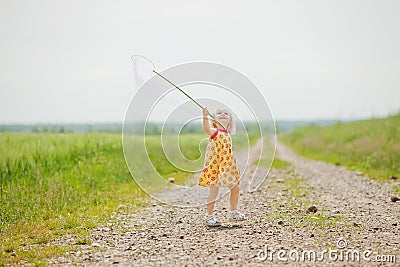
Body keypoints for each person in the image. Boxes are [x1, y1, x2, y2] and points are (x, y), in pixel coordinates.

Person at [199, 106, 245, 226]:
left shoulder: (228, 133)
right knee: (214, 191)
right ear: (214, 120)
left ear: (230, 121)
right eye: (219, 113)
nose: (223, 114)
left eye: (226, 113)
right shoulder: (215, 132)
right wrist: (205, 116)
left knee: (235, 188)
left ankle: (233, 212)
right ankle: (209, 216)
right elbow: (206, 129)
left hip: (227, 167)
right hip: (216, 167)